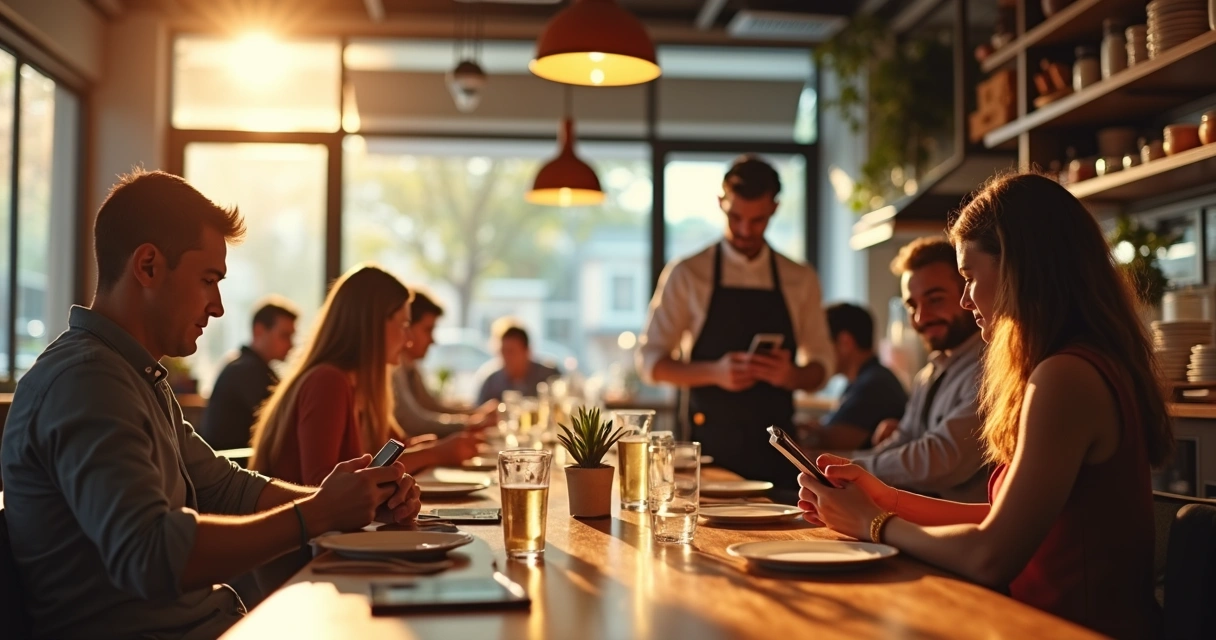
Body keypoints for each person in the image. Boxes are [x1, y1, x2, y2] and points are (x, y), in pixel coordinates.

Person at [0, 170, 422, 640]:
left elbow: (229, 490)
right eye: (208, 280)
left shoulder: (136, 376)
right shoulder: (86, 381)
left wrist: (351, 502)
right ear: (148, 266)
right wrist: (318, 515)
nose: (218, 306)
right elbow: (151, 554)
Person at [798, 173, 1172, 639]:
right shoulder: (1077, 365)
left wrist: (874, 523)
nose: (964, 298)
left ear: (1019, 269)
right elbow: (998, 520)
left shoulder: (1065, 379)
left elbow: (991, 555)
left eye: (970, 276)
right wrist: (882, 497)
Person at [637, 154, 834, 495]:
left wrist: (792, 376)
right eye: (735, 217)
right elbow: (650, 364)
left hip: (779, 458)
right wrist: (715, 372)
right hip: (707, 455)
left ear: (774, 209)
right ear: (720, 203)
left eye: (757, 220)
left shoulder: (799, 278)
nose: (745, 230)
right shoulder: (687, 274)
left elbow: (821, 368)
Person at [248, 264, 481, 488]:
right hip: (306, 528)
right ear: (374, 325)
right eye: (403, 324)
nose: (408, 339)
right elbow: (323, 486)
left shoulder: (365, 386)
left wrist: (419, 451)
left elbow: (382, 460)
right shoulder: (327, 382)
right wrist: (433, 454)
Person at [840, 237, 989, 503]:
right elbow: (904, 440)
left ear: (967, 296)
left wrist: (854, 469)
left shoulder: (992, 367)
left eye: (935, 300)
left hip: (966, 532)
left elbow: (943, 458)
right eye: (912, 305)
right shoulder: (929, 373)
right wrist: (837, 465)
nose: (921, 317)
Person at [800, 303, 907, 451]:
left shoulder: (873, 385)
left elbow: (832, 445)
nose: (817, 354)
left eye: (821, 346)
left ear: (845, 342)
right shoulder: (866, 379)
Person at [393, 289, 496, 437]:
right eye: (428, 330)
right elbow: (413, 421)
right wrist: (471, 422)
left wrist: (475, 414)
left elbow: (431, 405)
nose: (433, 340)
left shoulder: (410, 367)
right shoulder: (393, 368)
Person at [200, 297, 298, 450]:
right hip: (231, 465)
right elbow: (284, 422)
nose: (291, 344)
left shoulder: (247, 366)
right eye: (285, 335)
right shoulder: (246, 371)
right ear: (259, 331)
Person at [476, 325, 561, 405]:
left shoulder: (549, 375)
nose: (506, 357)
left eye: (511, 352)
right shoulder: (492, 382)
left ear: (527, 351)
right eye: (503, 351)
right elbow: (478, 412)